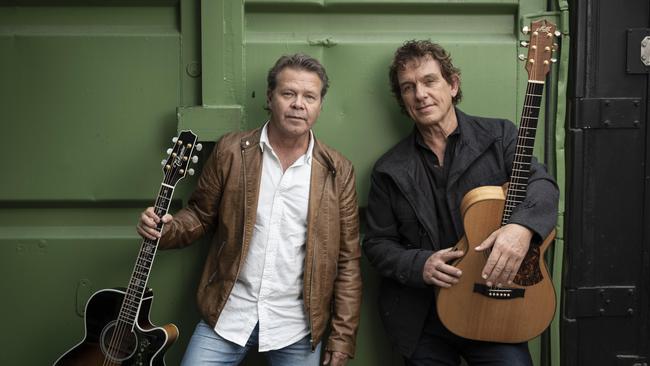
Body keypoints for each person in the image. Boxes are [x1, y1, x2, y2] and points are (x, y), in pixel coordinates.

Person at [137, 53, 362, 366]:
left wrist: (342, 339)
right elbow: (200, 216)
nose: (299, 104)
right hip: (229, 314)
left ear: (320, 105)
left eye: (309, 96)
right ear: (270, 98)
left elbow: (347, 260)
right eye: (288, 93)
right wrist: (166, 229)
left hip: (297, 326)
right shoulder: (231, 151)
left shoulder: (338, 170)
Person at [363, 40, 559, 365]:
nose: (420, 94)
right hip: (423, 318)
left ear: (453, 85)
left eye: (429, 81)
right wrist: (419, 264)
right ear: (403, 100)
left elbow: (542, 185)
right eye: (408, 87)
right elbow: (377, 244)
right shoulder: (389, 170)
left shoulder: (501, 137)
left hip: (495, 308)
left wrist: (521, 229)